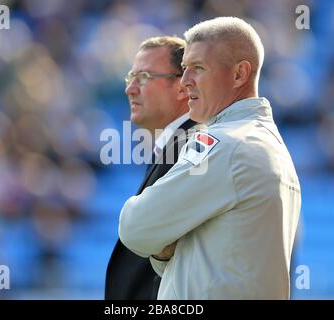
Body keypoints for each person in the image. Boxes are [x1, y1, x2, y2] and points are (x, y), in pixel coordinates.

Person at [119, 17, 301, 299]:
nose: (185, 82)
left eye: (198, 68)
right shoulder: (270, 145)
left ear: (240, 74)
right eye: (183, 69)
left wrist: (164, 242)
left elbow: (134, 228)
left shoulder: (223, 143)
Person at [105, 36, 197, 299]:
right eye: (130, 78)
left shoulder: (194, 147)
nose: (130, 89)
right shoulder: (176, 145)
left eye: (143, 77)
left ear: (182, 87)